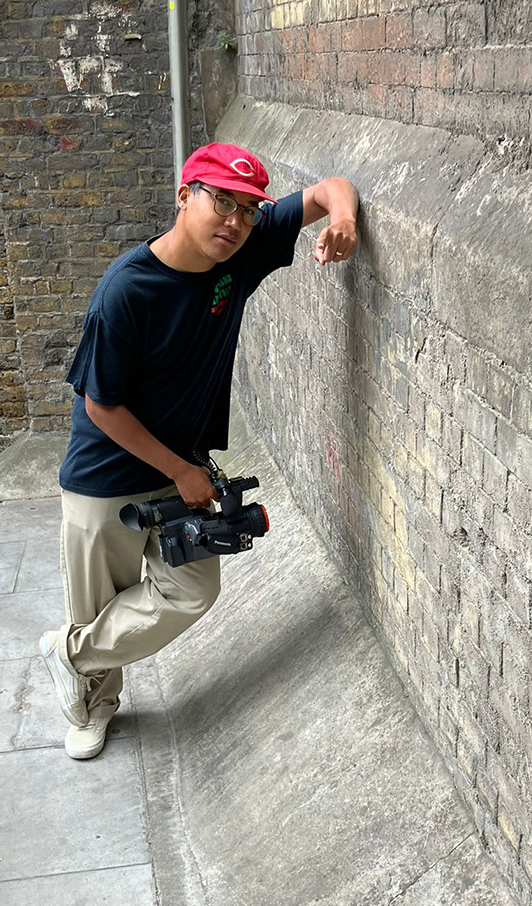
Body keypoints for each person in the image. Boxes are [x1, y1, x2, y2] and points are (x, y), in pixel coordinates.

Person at [40, 142, 358, 761]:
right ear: (184, 197)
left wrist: (342, 220)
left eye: (247, 208)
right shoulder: (126, 291)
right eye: (221, 202)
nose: (235, 221)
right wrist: (182, 471)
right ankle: (92, 705)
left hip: (180, 474)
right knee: (99, 603)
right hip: (104, 479)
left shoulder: (241, 252)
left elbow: (328, 189)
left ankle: (68, 652)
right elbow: (102, 407)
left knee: (190, 589)